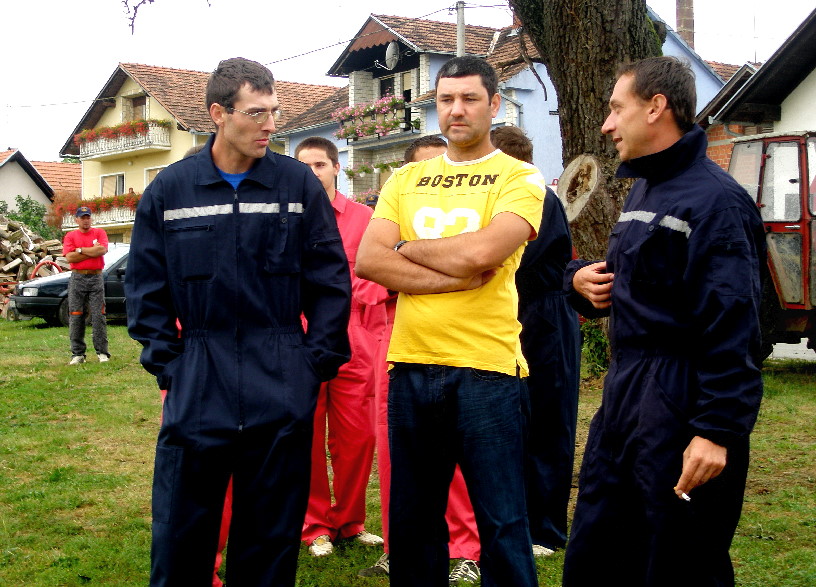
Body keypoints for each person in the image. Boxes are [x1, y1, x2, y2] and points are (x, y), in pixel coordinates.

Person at [125, 57, 352, 586]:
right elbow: (146, 288)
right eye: (257, 113)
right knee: (182, 533)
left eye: (274, 112)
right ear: (219, 114)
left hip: (281, 376)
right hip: (198, 377)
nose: (270, 124)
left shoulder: (296, 184)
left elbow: (330, 281)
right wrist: (171, 364)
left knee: (270, 538)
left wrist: (311, 365)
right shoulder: (172, 189)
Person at [562, 56, 765, 586]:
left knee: (679, 558)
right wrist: (580, 282)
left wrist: (715, 431)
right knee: (600, 549)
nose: (606, 125)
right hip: (626, 397)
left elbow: (736, 325)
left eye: (616, 108)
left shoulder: (717, 203)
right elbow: (642, 282)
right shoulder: (647, 188)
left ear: (656, 108)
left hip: (682, 402)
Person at [356, 55, 546, 587]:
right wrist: (454, 278)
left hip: (488, 370)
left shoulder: (520, 177)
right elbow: (369, 260)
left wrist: (406, 247)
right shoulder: (406, 177)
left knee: (502, 522)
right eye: (445, 99)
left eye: (469, 99)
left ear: (495, 104)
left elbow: (482, 252)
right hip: (412, 365)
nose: (456, 110)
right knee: (413, 522)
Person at [359, 134, 485, 584]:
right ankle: (400, 547)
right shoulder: (390, 214)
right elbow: (368, 276)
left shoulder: (475, 212)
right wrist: (442, 272)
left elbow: (482, 267)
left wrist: (405, 267)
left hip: (461, 341)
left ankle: (466, 548)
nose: (441, 177)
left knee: (460, 448)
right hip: (397, 343)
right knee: (398, 451)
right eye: (429, 169)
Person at [294, 136, 387, 557]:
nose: (312, 173)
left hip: (355, 339)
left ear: (336, 167)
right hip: (302, 337)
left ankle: (350, 521)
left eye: (319, 164)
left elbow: (378, 273)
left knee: (358, 436)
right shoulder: (288, 217)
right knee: (307, 435)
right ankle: (314, 525)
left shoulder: (365, 218)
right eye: (304, 166)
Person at [491, 126, 581, 558]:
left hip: (545, 318)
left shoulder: (538, 198)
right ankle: (517, 518)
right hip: (511, 314)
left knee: (548, 420)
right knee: (514, 422)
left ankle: (545, 529)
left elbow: (512, 259)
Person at [62, 206, 110, 365]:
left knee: (98, 315)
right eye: (82, 217)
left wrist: (80, 250)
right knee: (76, 315)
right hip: (78, 277)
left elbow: (101, 250)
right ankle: (77, 354)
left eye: (88, 217)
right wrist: (91, 251)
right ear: (77, 220)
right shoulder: (70, 236)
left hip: (96, 277)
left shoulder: (99, 233)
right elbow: (70, 257)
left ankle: (102, 352)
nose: (86, 220)